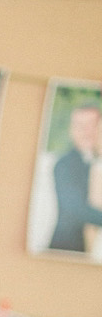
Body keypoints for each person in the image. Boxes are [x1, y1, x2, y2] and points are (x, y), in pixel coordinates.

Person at [48, 104, 102, 254]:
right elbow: (75, 209)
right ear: (71, 130)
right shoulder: (64, 164)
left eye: (91, 125)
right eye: (79, 125)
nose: (86, 131)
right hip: (67, 249)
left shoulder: (98, 161)